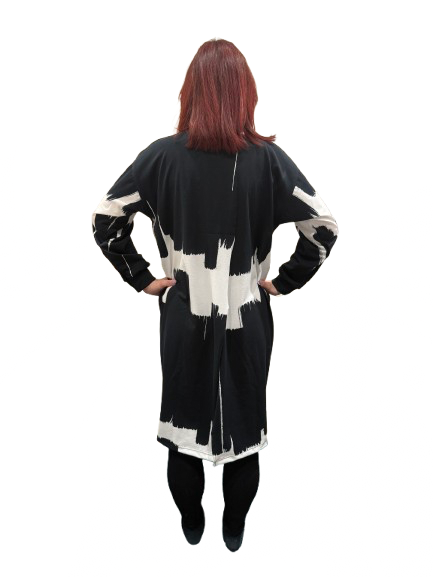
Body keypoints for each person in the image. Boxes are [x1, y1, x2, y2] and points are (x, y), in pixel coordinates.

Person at [91, 38, 339, 552]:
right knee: (244, 426)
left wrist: (145, 278)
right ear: (246, 93)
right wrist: (284, 281)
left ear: (190, 92)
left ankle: (192, 521)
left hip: (184, 316)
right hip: (248, 317)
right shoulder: (269, 161)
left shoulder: (161, 158)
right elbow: (323, 226)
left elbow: (106, 217)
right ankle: (234, 526)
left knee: (182, 425)